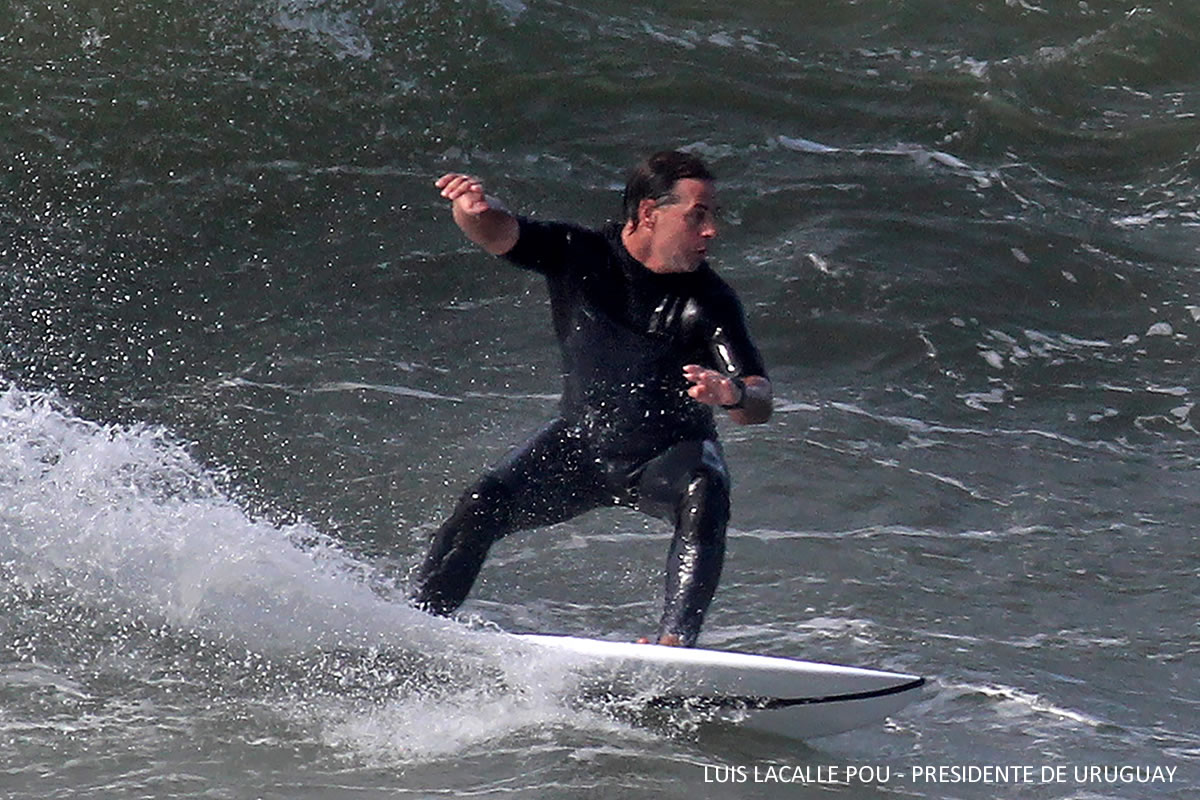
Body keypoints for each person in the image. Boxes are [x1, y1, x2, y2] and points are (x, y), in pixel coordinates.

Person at [410, 150, 772, 646]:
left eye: (712, 217)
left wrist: (731, 394)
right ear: (649, 213)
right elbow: (499, 232)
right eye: (697, 216)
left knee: (705, 491)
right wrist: (471, 207)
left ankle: (673, 647)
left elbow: (759, 398)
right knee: (481, 503)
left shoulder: (709, 301)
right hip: (580, 446)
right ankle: (417, 628)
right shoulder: (580, 253)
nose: (711, 231)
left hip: (666, 457)